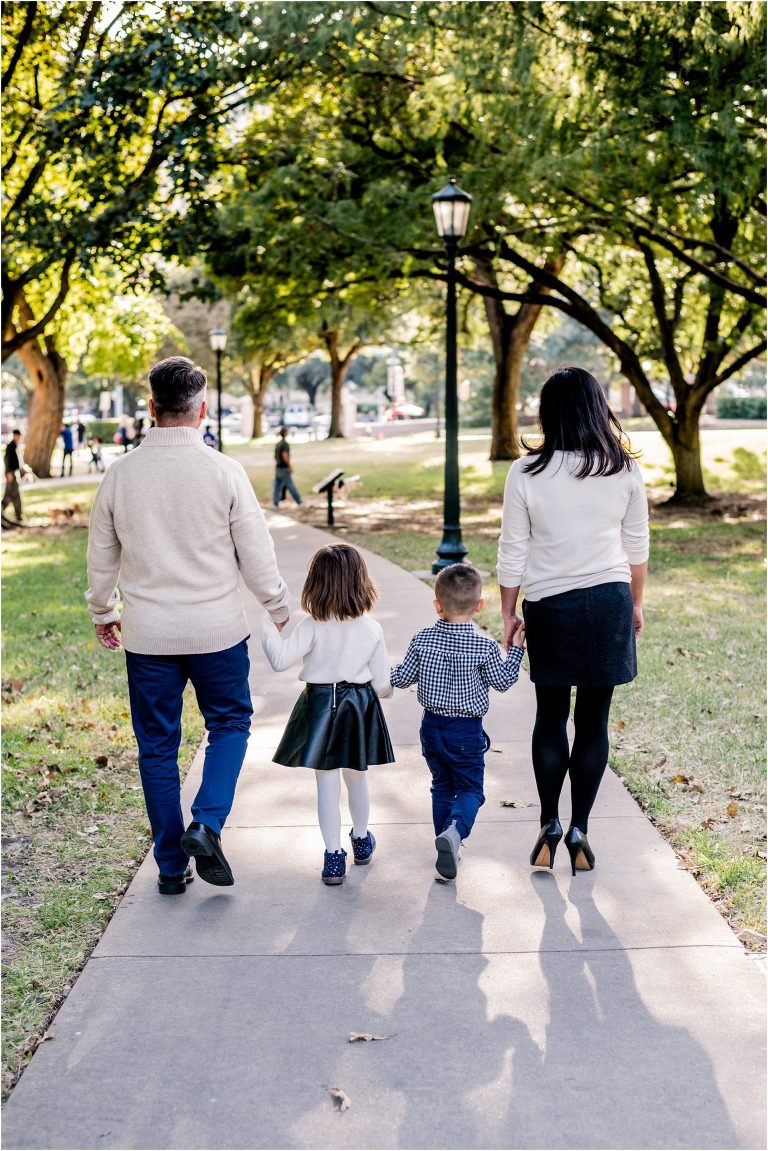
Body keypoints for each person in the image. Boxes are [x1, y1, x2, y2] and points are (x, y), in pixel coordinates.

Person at [86, 356, 291, 894]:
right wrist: (278, 607)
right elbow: (256, 551)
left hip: (149, 636)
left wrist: (104, 610)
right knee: (229, 724)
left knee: (156, 747)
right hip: (217, 631)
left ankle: (172, 867)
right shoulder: (224, 471)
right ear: (202, 409)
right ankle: (207, 822)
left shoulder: (120, 475)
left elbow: (101, 555)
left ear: (152, 408)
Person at [497, 366, 649, 876]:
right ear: (596, 407)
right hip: (608, 599)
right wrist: (636, 603)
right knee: (594, 722)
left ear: (548, 412)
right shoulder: (622, 469)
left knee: (548, 717)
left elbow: (512, 550)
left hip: (550, 604)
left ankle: (548, 822)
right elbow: (637, 548)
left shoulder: (527, 472)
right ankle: (581, 827)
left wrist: (507, 613)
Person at [261, 543, 393, 886]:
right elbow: (382, 684)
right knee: (357, 776)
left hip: (320, 704)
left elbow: (279, 660)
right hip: (358, 705)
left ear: (316, 584)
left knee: (326, 783)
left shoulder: (311, 626)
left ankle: (334, 856)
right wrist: (380, 691)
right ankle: (361, 840)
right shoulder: (371, 628)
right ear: (360, 582)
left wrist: (267, 625)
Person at [390, 563, 526, 880]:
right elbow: (504, 681)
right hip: (466, 731)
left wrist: (376, 674)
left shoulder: (422, 639)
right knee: (470, 791)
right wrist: (517, 649)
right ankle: (454, 834)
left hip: (431, 728)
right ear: (479, 606)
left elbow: (401, 677)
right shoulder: (484, 646)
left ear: (438, 604)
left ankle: (446, 844)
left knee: (442, 787)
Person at [272, 426, 302, 508]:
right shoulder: (285, 444)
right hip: (284, 468)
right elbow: (285, 455)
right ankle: (299, 501)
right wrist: (289, 466)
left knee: (277, 486)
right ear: (285, 433)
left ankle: (275, 503)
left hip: (278, 467)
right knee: (290, 485)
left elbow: (274, 456)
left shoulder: (278, 444)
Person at [2, 428, 26, 522]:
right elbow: (6, 460)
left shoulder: (16, 446)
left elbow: (17, 461)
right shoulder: (10, 446)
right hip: (11, 473)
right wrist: (8, 473)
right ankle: (17, 515)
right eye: (18, 436)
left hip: (15, 473)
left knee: (14, 495)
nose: (19, 438)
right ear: (15, 435)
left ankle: (19, 515)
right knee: (9, 495)